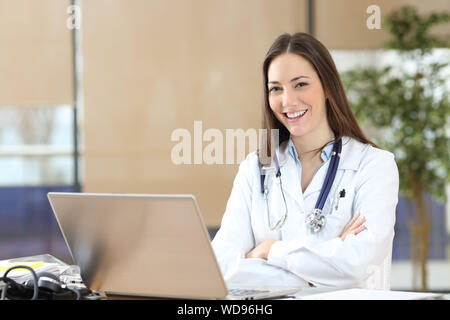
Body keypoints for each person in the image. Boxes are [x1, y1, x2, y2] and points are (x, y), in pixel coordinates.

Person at [211, 32, 399, 289]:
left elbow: (357, 265)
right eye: (276, 88)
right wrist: (323, 271)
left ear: (328, 87)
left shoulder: (374, 166)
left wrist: (268, 250)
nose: (287, 101)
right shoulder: (255, 169)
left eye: (300, 84)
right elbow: (222, 268)